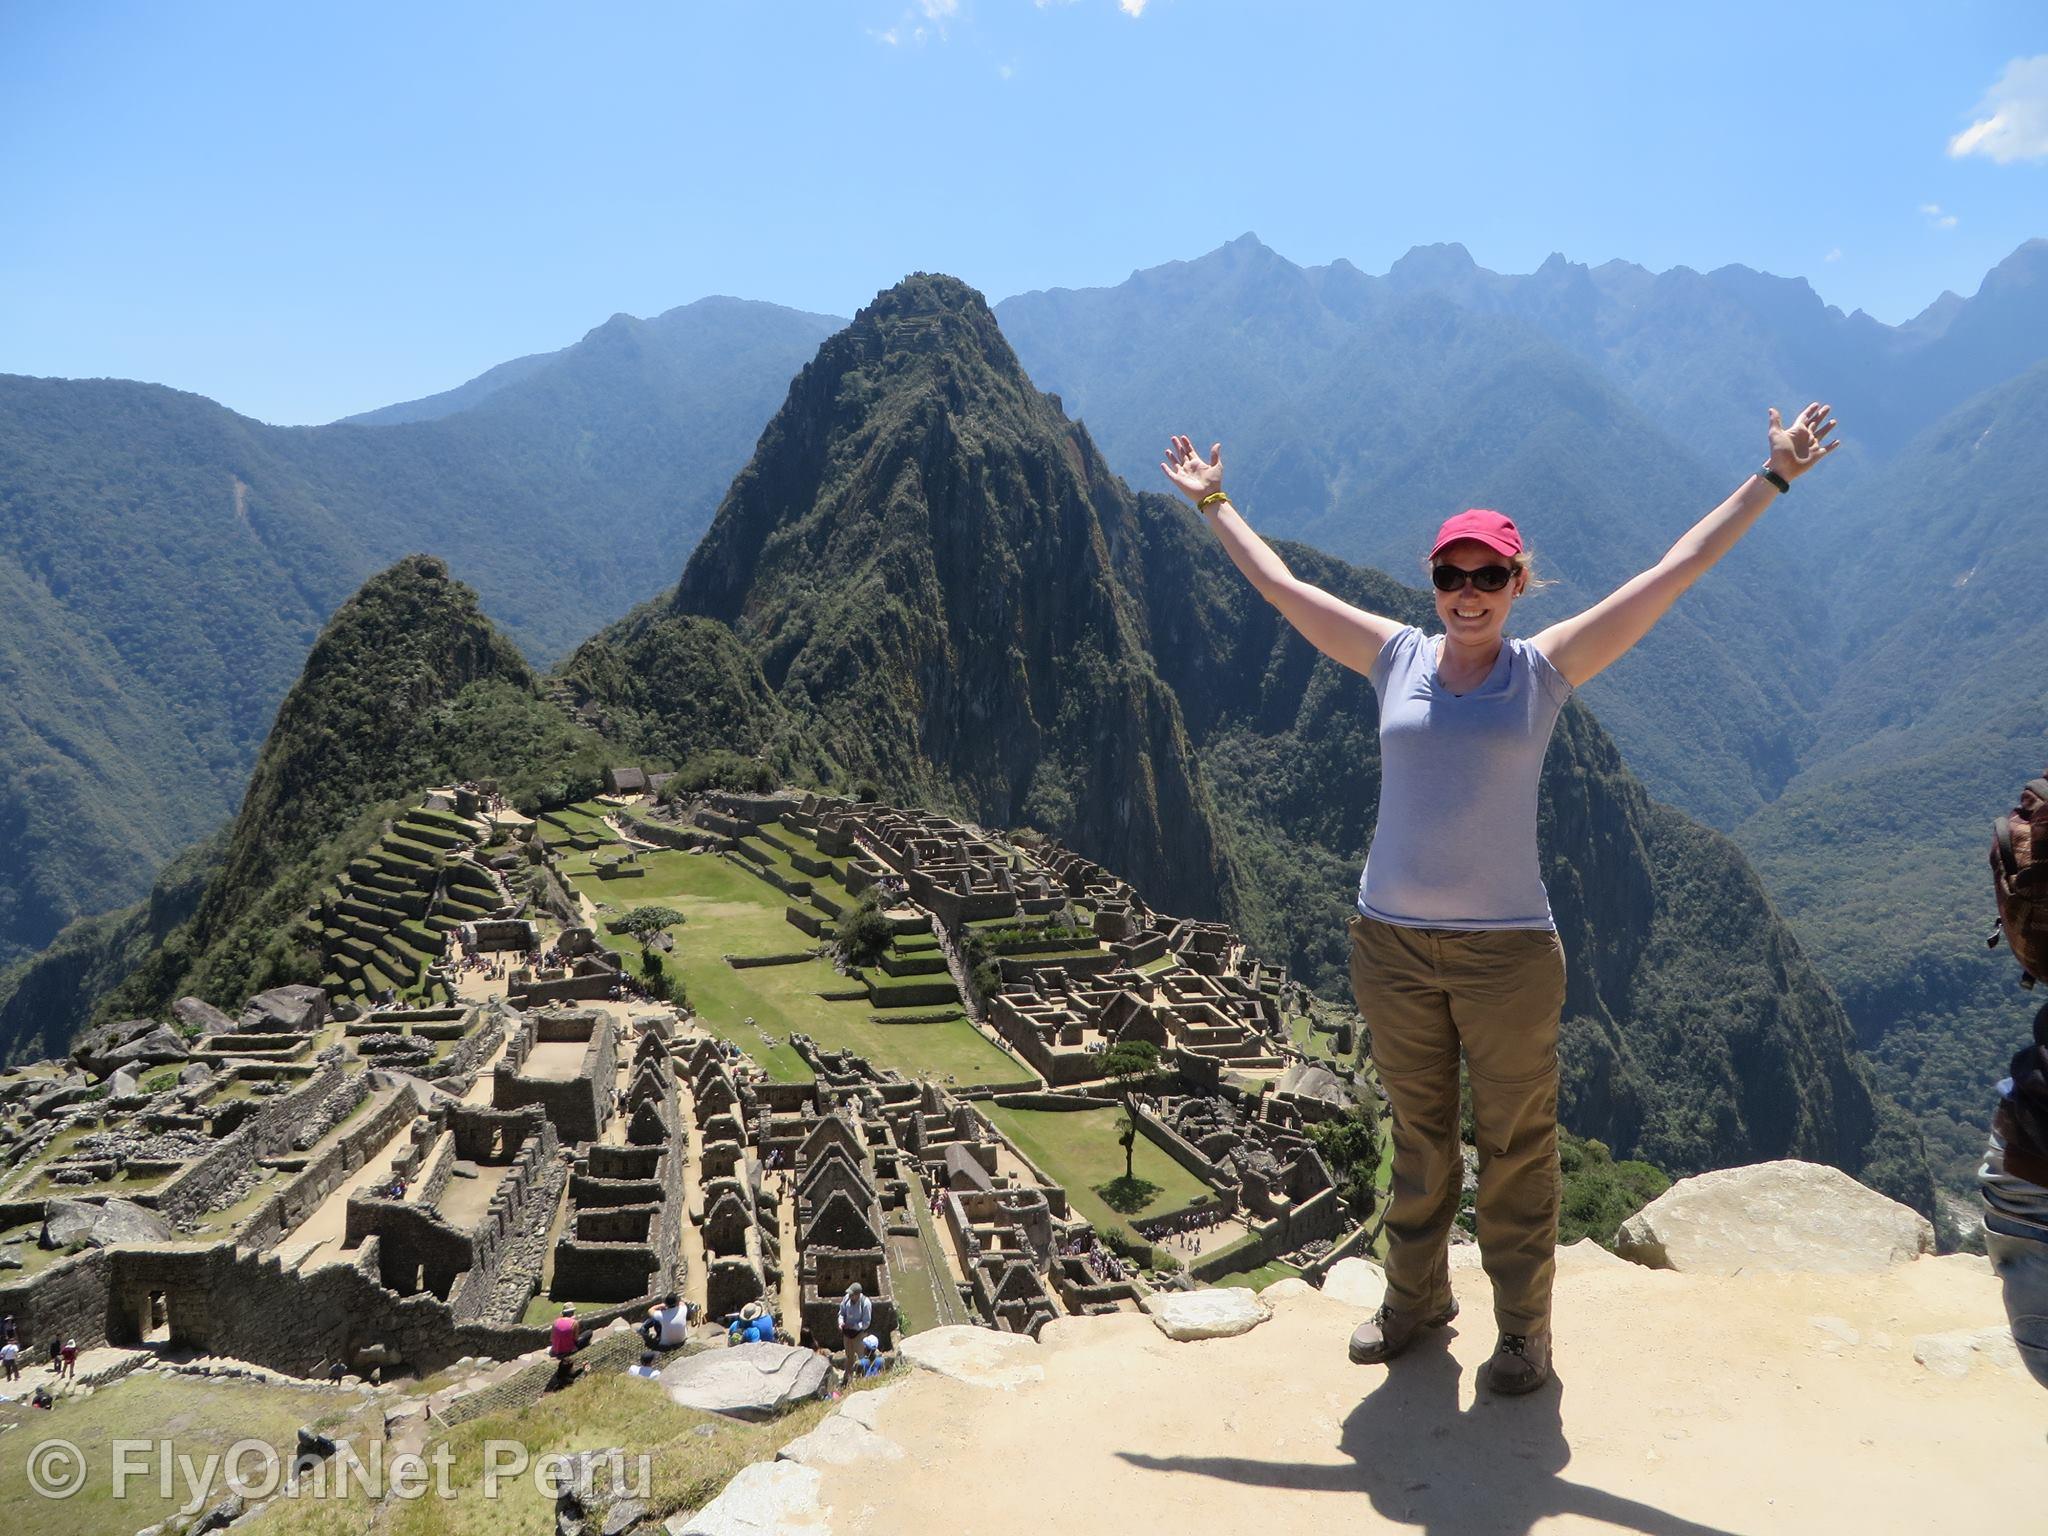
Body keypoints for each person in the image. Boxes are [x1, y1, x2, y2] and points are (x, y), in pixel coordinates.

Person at [1161, 404, 1840, 1396]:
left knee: (1514, 1148)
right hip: (1388, 944)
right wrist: (1214, 501)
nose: (1466, 593)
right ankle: (1412, 1302)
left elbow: (1673, 571)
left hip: (1506, 957)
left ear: (1517, 585)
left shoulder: (1544, 668)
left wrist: (1770, 478)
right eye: (1450, 574)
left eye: (1487, 576)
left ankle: (1521, 1334)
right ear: (1430, 582)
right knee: (1416, 1137)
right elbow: (1282, 589)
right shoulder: (1391, 655)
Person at [837, 1282, 873, 1386]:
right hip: (847, 1334)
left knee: (862, 1357)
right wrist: (840, 1323)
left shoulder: (865, 1303)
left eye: (852, 1294)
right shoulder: (846, 1299)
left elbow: (866, 1323)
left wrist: (853, 1326)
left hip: (859, 1335)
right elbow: (841, 1313)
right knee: (849, 1357)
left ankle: (863, 1379)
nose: (850, 1296)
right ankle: (847, 1379)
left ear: (857, 1294)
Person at [548, 1303, 583, 1387]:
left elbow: (551, 1338)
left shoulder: (555, 1322)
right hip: (568, 1350)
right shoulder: (574, 1323)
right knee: (588, 1334)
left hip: (556, 1349)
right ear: (572, 1313)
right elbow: (575, 1339)